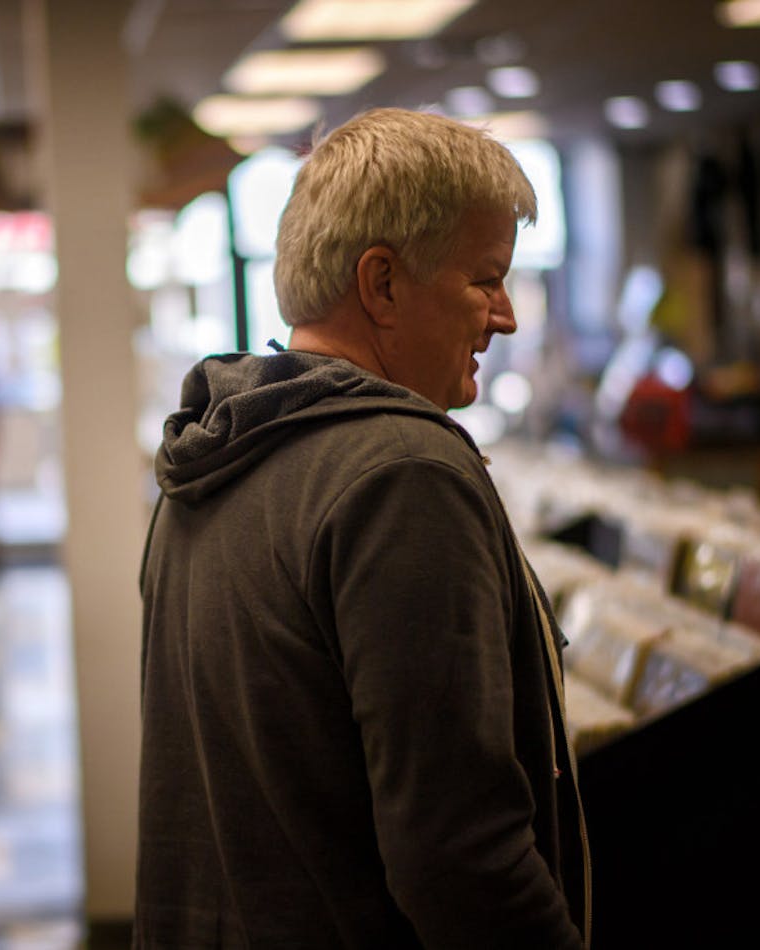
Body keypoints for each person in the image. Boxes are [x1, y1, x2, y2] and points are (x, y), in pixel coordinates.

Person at [135, 108, 590, 948]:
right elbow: (460, 855)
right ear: (381, 283)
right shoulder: (402, 476)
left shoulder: (210, 454)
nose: (507, 316)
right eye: (485, 279)